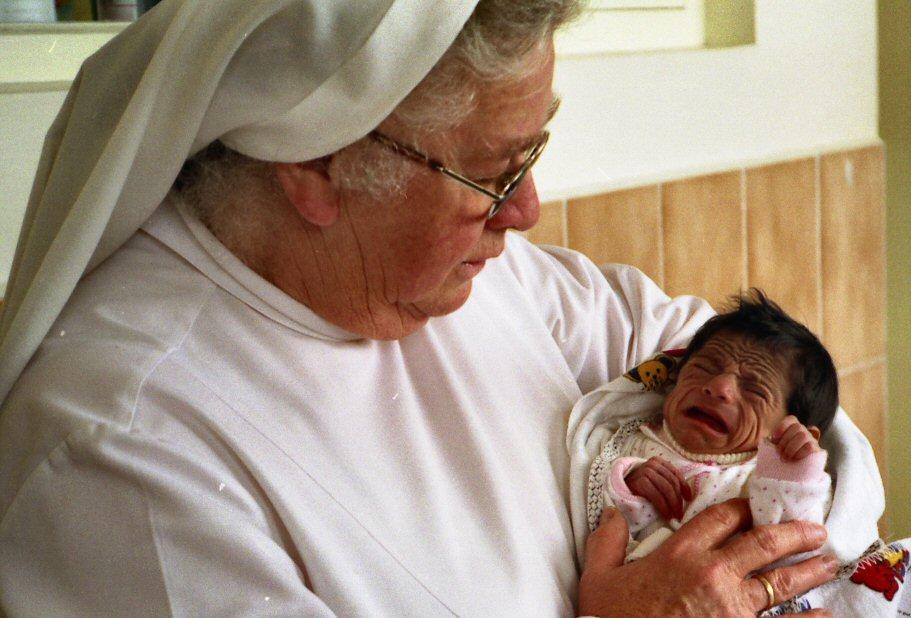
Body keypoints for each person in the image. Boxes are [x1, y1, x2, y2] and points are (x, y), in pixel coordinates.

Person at [0, 1, 838, 615]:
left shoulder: (480, 278)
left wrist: (782, 517)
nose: (526, 211)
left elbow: (795, 392)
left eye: (533, 153)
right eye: (497, 172)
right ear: (317, 164)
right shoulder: (120, 446)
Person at [570, 291, 911, 616]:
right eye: (705, 367)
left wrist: (793, 473)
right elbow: (602, 510)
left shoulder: (768, 473)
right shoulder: (638, 436)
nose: (718, 388)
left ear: (791, 430)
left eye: (754, 389)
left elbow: (795, 543)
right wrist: (629, 480)